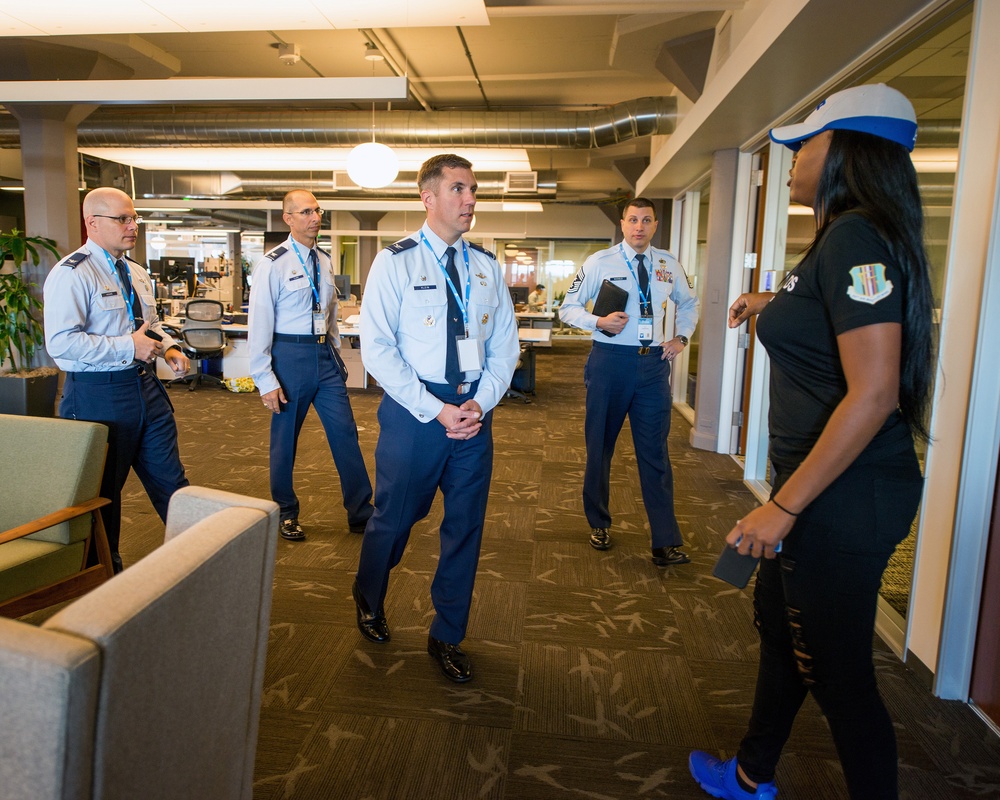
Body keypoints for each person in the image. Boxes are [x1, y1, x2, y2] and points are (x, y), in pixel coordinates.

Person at [689, 84, 932, 800]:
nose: (792, 157)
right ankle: (751, 771)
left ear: (846, 151)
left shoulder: (856, 235)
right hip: (827, 489)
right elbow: (835, 313)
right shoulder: (845, 240)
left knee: (839, 674)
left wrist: (783, 508)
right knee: (776, 618)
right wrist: (774, 303)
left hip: (840, 498)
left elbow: (876, 390)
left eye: (806, 143)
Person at [354, 154, 519, 682]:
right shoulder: (396, 262)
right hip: (414, 414)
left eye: (473, 190)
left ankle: (447, 633)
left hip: (473, 415)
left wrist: (480, 401)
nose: (471, 200)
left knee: (465, 529)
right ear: (428, 198)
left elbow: (504, 347)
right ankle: (370, 596)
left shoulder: (487, 267)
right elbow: (377, 350)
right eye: (459, 190)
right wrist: (437, 408)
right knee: (395, 519)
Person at [44, 187, 191, 573]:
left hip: (146, 389)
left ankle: (198, 560)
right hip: (99, 394)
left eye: (134, 218)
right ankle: (105, 578)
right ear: (93, 223)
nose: (133, 226)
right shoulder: (72, 274)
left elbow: (151, 326)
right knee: (104, 495)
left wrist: (170, 348)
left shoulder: (137, 272)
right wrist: (129, 346)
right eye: (123, 219)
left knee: (172, 483)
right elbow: (61, 344)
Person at [559, 197, 699, 566]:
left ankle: (664, 541)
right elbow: (567, 307)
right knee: (600, 447)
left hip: (653, 366)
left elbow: (689, 304)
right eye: (633, 220)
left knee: (655, 454)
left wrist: (681, 337)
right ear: (622, 224)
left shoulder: (668, 264)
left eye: (647, 220)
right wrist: (598, 322)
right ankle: (599, 522)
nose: (639, 226)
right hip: (610, 363)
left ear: (655, 226)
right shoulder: (599, 262)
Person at [248, 190, 373, 541]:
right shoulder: (272, 264)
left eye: (317, 210)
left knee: (345, 432)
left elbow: (329, 311)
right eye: (305, 212)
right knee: (285, 440)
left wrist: (334, 351)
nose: (314, 217)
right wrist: (265, 378)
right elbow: (259, 323)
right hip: (289, 358)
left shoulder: (325, 259)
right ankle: (286, 512)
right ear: (288, 218)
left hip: (323, 357)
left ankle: (361, 512)